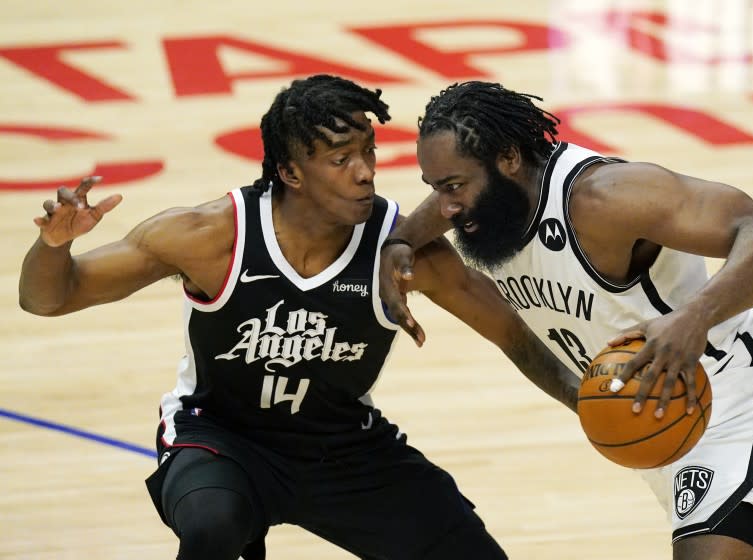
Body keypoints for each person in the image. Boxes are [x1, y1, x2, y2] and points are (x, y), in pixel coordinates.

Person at [18, 75, 581, 560]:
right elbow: (49, 298)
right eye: (341, 160)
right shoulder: (208, 237)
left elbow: (513, 334)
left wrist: (589, 403)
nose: (365, 173)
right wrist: (53, 247)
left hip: (345, 449)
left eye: (369, 152)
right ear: (290, 173)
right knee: (212, 526)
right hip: (219, 438)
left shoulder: (402, 250)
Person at [379, 81, 753, 560]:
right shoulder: (493, 207)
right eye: (436, 189)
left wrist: (694, 317)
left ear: (509, 159)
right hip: (655, 411)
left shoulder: (606, 198)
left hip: (728, 390)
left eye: (454, 187)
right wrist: (401, 241)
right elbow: (512, 328)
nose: (447, 208)